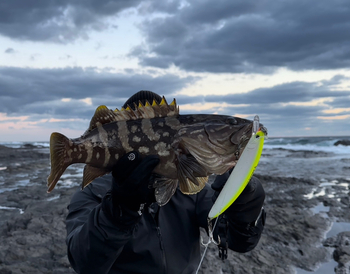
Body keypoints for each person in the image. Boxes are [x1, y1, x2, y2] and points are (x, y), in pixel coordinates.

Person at [65, 90, 266, 274]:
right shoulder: (91, 194)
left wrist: (246, 204)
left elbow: (238, 240)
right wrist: (118, 212)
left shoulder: (191, 192)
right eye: (230, 123)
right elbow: (83, 262)